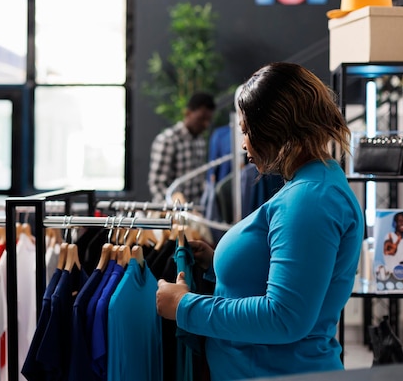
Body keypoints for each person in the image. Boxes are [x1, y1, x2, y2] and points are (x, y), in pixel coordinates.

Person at [156, 62, 364, 380]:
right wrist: (220, 264)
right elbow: (295, 277)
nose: (243, 144)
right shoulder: (313, 184)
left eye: (246, 130)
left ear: (275, 128)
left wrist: (185, 306)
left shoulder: (309, 199)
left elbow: (284, 318)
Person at [148, 91, 216, 204]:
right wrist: (176, 207)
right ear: (188, 113)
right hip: (170, 214)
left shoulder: (200, 141)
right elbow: (157, 185)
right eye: (201, 119)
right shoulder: (167, 140)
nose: (206, 124)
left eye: (208, 120)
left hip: (195, 212)